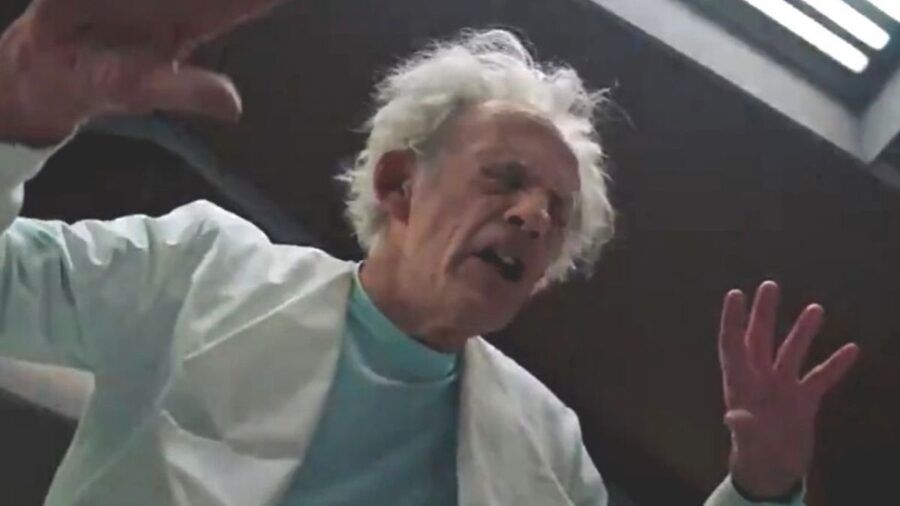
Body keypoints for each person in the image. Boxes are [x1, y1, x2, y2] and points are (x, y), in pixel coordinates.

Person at [0, 1, 860, 505]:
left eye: (557, 215)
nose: (532, 218)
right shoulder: (201, 268)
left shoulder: (547, 445)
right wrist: (18, 117)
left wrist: (762, 488)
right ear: (399, 185)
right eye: (505, 180)